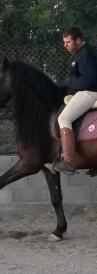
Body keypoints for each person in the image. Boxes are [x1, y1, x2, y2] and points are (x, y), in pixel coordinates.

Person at [53, 26, 97, 174]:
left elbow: (87, 80)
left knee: (64, 118)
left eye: (68, 42)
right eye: (64, 42)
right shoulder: (79, 53)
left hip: (90, 92)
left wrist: (67, 83)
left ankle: (68, 161)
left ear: (78, 40)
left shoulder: (86, 55)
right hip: (84, 91)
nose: (65, 45)